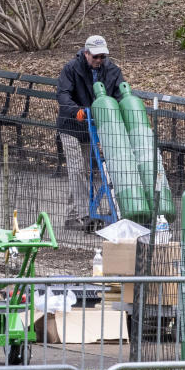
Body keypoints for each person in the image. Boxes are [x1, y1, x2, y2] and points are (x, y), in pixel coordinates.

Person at [56, 35, 124, 231]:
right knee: (77, 169)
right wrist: (75, 110)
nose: (99, 60)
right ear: (86, 53)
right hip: (71, 126)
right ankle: (84, 215)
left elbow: (119, 95)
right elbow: (63, 94)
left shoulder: (112, 71)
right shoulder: (71, 68)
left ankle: (71, 217)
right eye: (95, 56)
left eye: (102, 56)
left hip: (91, 128)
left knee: (83, 171)